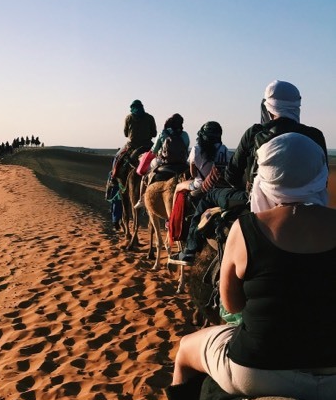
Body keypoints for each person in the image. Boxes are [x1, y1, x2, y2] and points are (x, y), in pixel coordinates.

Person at [142, 132, 334, 400]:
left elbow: (232, 303)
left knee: (186, 349)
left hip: (259, 370)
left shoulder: (246, 228)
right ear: (320, 175)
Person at [169, 80, 328, 265]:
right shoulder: (315, 135)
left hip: (256, 200)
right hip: (312, 204)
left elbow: (231, 175)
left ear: (268, 108)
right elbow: (322, 178)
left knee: (208, 197)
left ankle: (189, 250)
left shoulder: (254, 133)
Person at [134, 114, 190, 208]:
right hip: (182, 163)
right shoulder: (185, 134)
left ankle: (141, 200)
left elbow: (154, 150)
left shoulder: (163, 133)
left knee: (146, 175)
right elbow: (186, 147)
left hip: (164, 162)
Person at [111, 100, 157, 183]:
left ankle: (113, 178)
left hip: (132, 145)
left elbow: (125, 134)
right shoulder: (150, 117)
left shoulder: (129, 117)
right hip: (147, 145)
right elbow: (154, 134)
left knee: (117, 157)